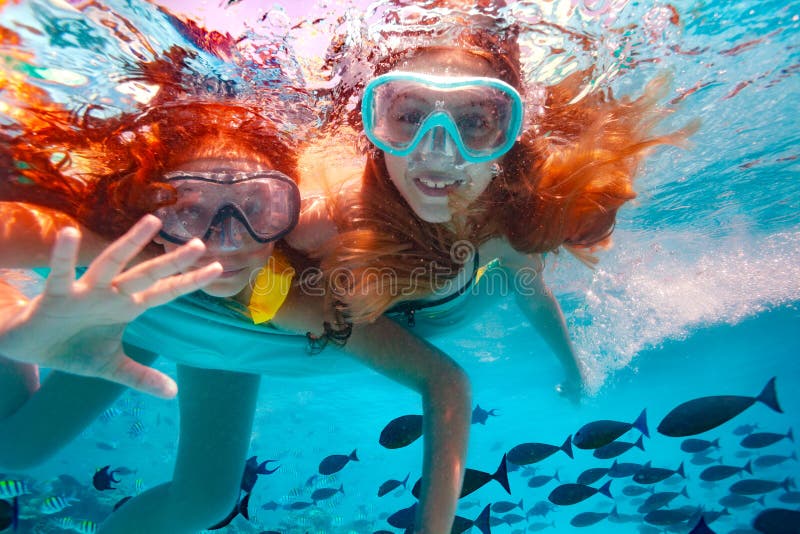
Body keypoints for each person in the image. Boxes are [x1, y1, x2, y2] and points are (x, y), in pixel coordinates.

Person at [0, 25, 469, 534]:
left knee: (206, 500)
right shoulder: (110, 242)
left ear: (287, 213)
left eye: (258, 208)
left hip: (223, 330)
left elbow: (443, 379)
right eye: (189, 209)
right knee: (19, 452)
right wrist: (12, 325)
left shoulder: (282, 294)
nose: (228, 241)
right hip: (119, 313)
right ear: (151, 204)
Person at [291, 0, 691, 401]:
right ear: (373, 126)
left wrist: (574, 368)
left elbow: (533, 297)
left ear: (508, 138)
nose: (438, 154)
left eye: (473, 123)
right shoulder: (327, 217)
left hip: (455, 308)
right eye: (411, 117)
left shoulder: (499, 227)